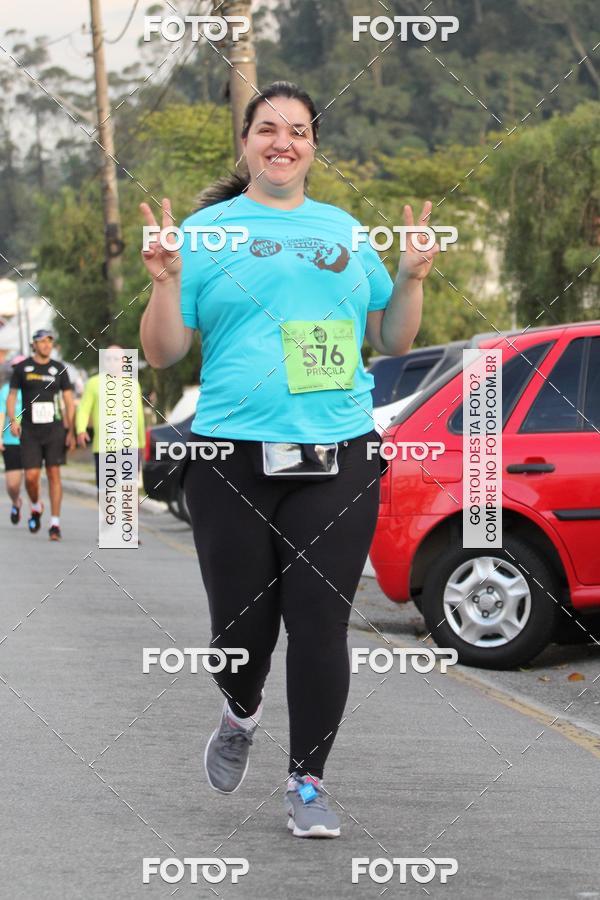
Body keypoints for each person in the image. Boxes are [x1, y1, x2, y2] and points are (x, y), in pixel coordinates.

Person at [139, 81, 438, 838]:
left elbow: (394, 341)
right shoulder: (206, 234)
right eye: (267, 128)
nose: (283, 141)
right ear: (245, 143)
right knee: (243, 632)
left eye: (298, 130)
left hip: (336, 451)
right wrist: (165, 284)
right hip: (232, 457)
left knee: (319, 621)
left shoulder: (341, 229)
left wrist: (411, 277)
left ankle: (307, 781)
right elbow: (166, 351)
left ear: (313, 146)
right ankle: (240, 712)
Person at [7, 329, 76, 541]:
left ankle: (55, 524)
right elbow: (11, 396)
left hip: (54, 429)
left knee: (54, 474)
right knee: (31, 477)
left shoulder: (59, 369)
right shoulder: (22, 368)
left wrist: (70, 429)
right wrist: (13, 420)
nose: (46, 345)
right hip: (30, 430)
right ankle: (36, 505)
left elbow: (68, 400)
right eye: (42, 342)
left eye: (49, 342)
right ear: (34, 345)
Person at [75, 344, 146, 491]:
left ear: (124, 361)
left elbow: (138, 415)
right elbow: (83, 409)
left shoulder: (133, 384)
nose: (112, 362)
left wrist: (142, 443)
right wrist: (81, 430)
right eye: (108, 359)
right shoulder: (94, 383)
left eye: (116, 359)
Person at [0, 354, 25, 524]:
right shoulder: (5, 390)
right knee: (12, 485)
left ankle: (36, 507)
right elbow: (1, 414)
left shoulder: (37, 388)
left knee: (32, 480)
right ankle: (16, 502)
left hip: (34, 441)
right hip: (11, 442)